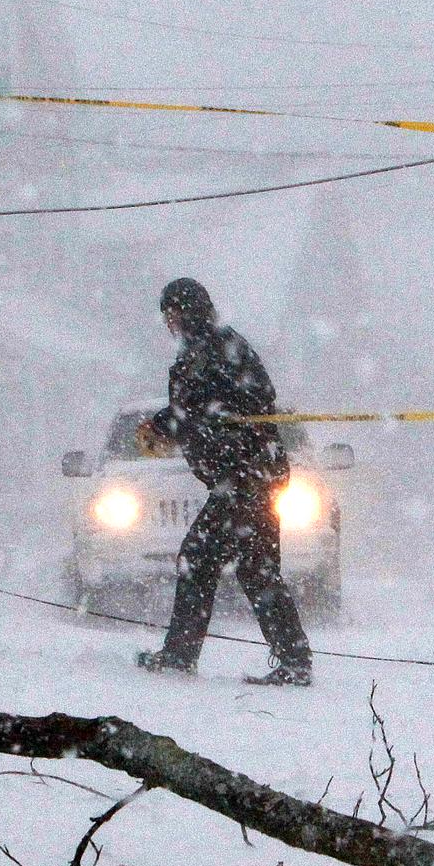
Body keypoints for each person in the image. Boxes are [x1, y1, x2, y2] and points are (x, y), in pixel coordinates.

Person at [134, 278, 314, 686]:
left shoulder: (214, 348)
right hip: (253, 475)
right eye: (167, 314)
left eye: (172, 313)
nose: (169, 321)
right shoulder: (208, 348)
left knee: (199, 559)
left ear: (187, 311)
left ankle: (181, 655)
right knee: (256, 569)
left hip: (246, 477)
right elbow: (196, 408)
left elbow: (231, 403)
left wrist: (187, 425)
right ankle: (294, 660)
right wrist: (169, 425)